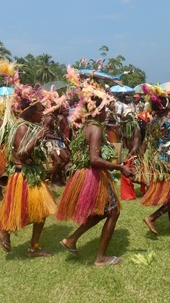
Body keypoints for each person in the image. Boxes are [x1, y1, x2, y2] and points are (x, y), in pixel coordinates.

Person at [57, 82, 134, 266]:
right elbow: (94, 159)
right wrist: (120, 168)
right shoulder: (96, 128)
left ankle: (71, 239)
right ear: (98, 110)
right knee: (113, 212)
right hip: (92, 175)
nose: (108, 112)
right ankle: (100, 258)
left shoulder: (87, 125)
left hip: (86, 174)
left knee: (102, 211)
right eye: (106, 108)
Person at [0, 99, 57, 257]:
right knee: (29, 212)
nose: (42, 114)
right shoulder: (22, 127)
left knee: (41, 213)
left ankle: (34, 248)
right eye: (39, 111)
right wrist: (38, 136)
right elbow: (22, 154)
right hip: (24, 176)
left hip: (32, 173)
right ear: (30, 112)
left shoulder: (29, 126)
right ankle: (4, 227)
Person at [137, 94, 170, 235]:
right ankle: (152, 218)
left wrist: (139, 161)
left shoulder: (151, 122)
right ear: (166, 109)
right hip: (167, 161)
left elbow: (145, 143)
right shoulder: (166, 123)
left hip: (155, 161)